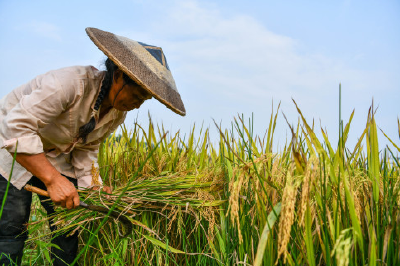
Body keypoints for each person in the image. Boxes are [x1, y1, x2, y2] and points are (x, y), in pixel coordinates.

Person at [0, 27, 185, 266]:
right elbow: (16, 128)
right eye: (137, 96)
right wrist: (53, 180)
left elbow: (87, 148)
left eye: (143, 101)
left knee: (68, 229)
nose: (137, 105)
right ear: (118, 76)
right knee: (11, 227)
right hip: (12, 152)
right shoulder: (69, 84)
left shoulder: (117, 113)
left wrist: (94, 187)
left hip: (56, 155)